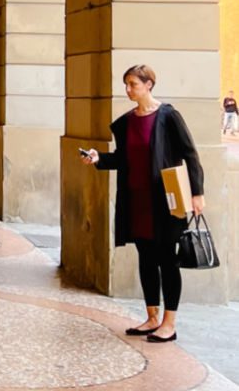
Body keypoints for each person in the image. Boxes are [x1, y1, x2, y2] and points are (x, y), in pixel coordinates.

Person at [81, 63, 204, 343]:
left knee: (167, 261)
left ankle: (169, 323)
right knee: (146, 260)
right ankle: (151, 318)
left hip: (165, 202)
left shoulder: (168, 116)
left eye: (133, 84)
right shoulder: (126, 123)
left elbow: (190, 155)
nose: (128, 90)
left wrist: (197, 194)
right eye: (126, 84)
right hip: (135, 202)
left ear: (149, 85)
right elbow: (123, 158)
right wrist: (99, 158)